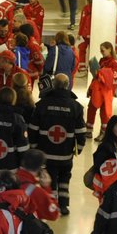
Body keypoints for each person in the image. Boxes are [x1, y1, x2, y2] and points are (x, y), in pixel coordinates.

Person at [28, 73, 86, 214]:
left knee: (51, 178)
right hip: (65, 153)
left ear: (53, 85)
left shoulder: (42, 105)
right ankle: (64, 205)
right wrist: (79, 148)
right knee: (65, 178)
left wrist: (34, 147)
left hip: (46, 152)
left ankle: (51, 205)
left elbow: (33, 129)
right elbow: (81, 131)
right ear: (67, 85)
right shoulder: (76, 106)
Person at [87, 40, 117, 133]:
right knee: (91, 108)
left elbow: (113, 77)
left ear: (109, 49)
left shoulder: (115, 63)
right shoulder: (102, 60)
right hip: (97, 90)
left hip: (107, 91)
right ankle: (89, 130)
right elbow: (97, 76)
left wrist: (102, 73)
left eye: (103, 50)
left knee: (104, 112)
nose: (101, 52)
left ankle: (104, 132)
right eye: (100, 51)